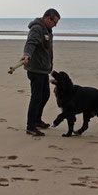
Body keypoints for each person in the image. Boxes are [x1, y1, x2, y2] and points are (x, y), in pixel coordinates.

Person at [21, 8, 61, 136]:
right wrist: (26, 54)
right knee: (36, 97)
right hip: (35, 69)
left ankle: (37, 120)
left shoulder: (48, 30)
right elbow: (30, 43)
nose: (55, 25)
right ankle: (31, 126)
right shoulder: (37, 29)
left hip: (43, 70)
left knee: (45, 95)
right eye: (54, 22)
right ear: (47, 18)